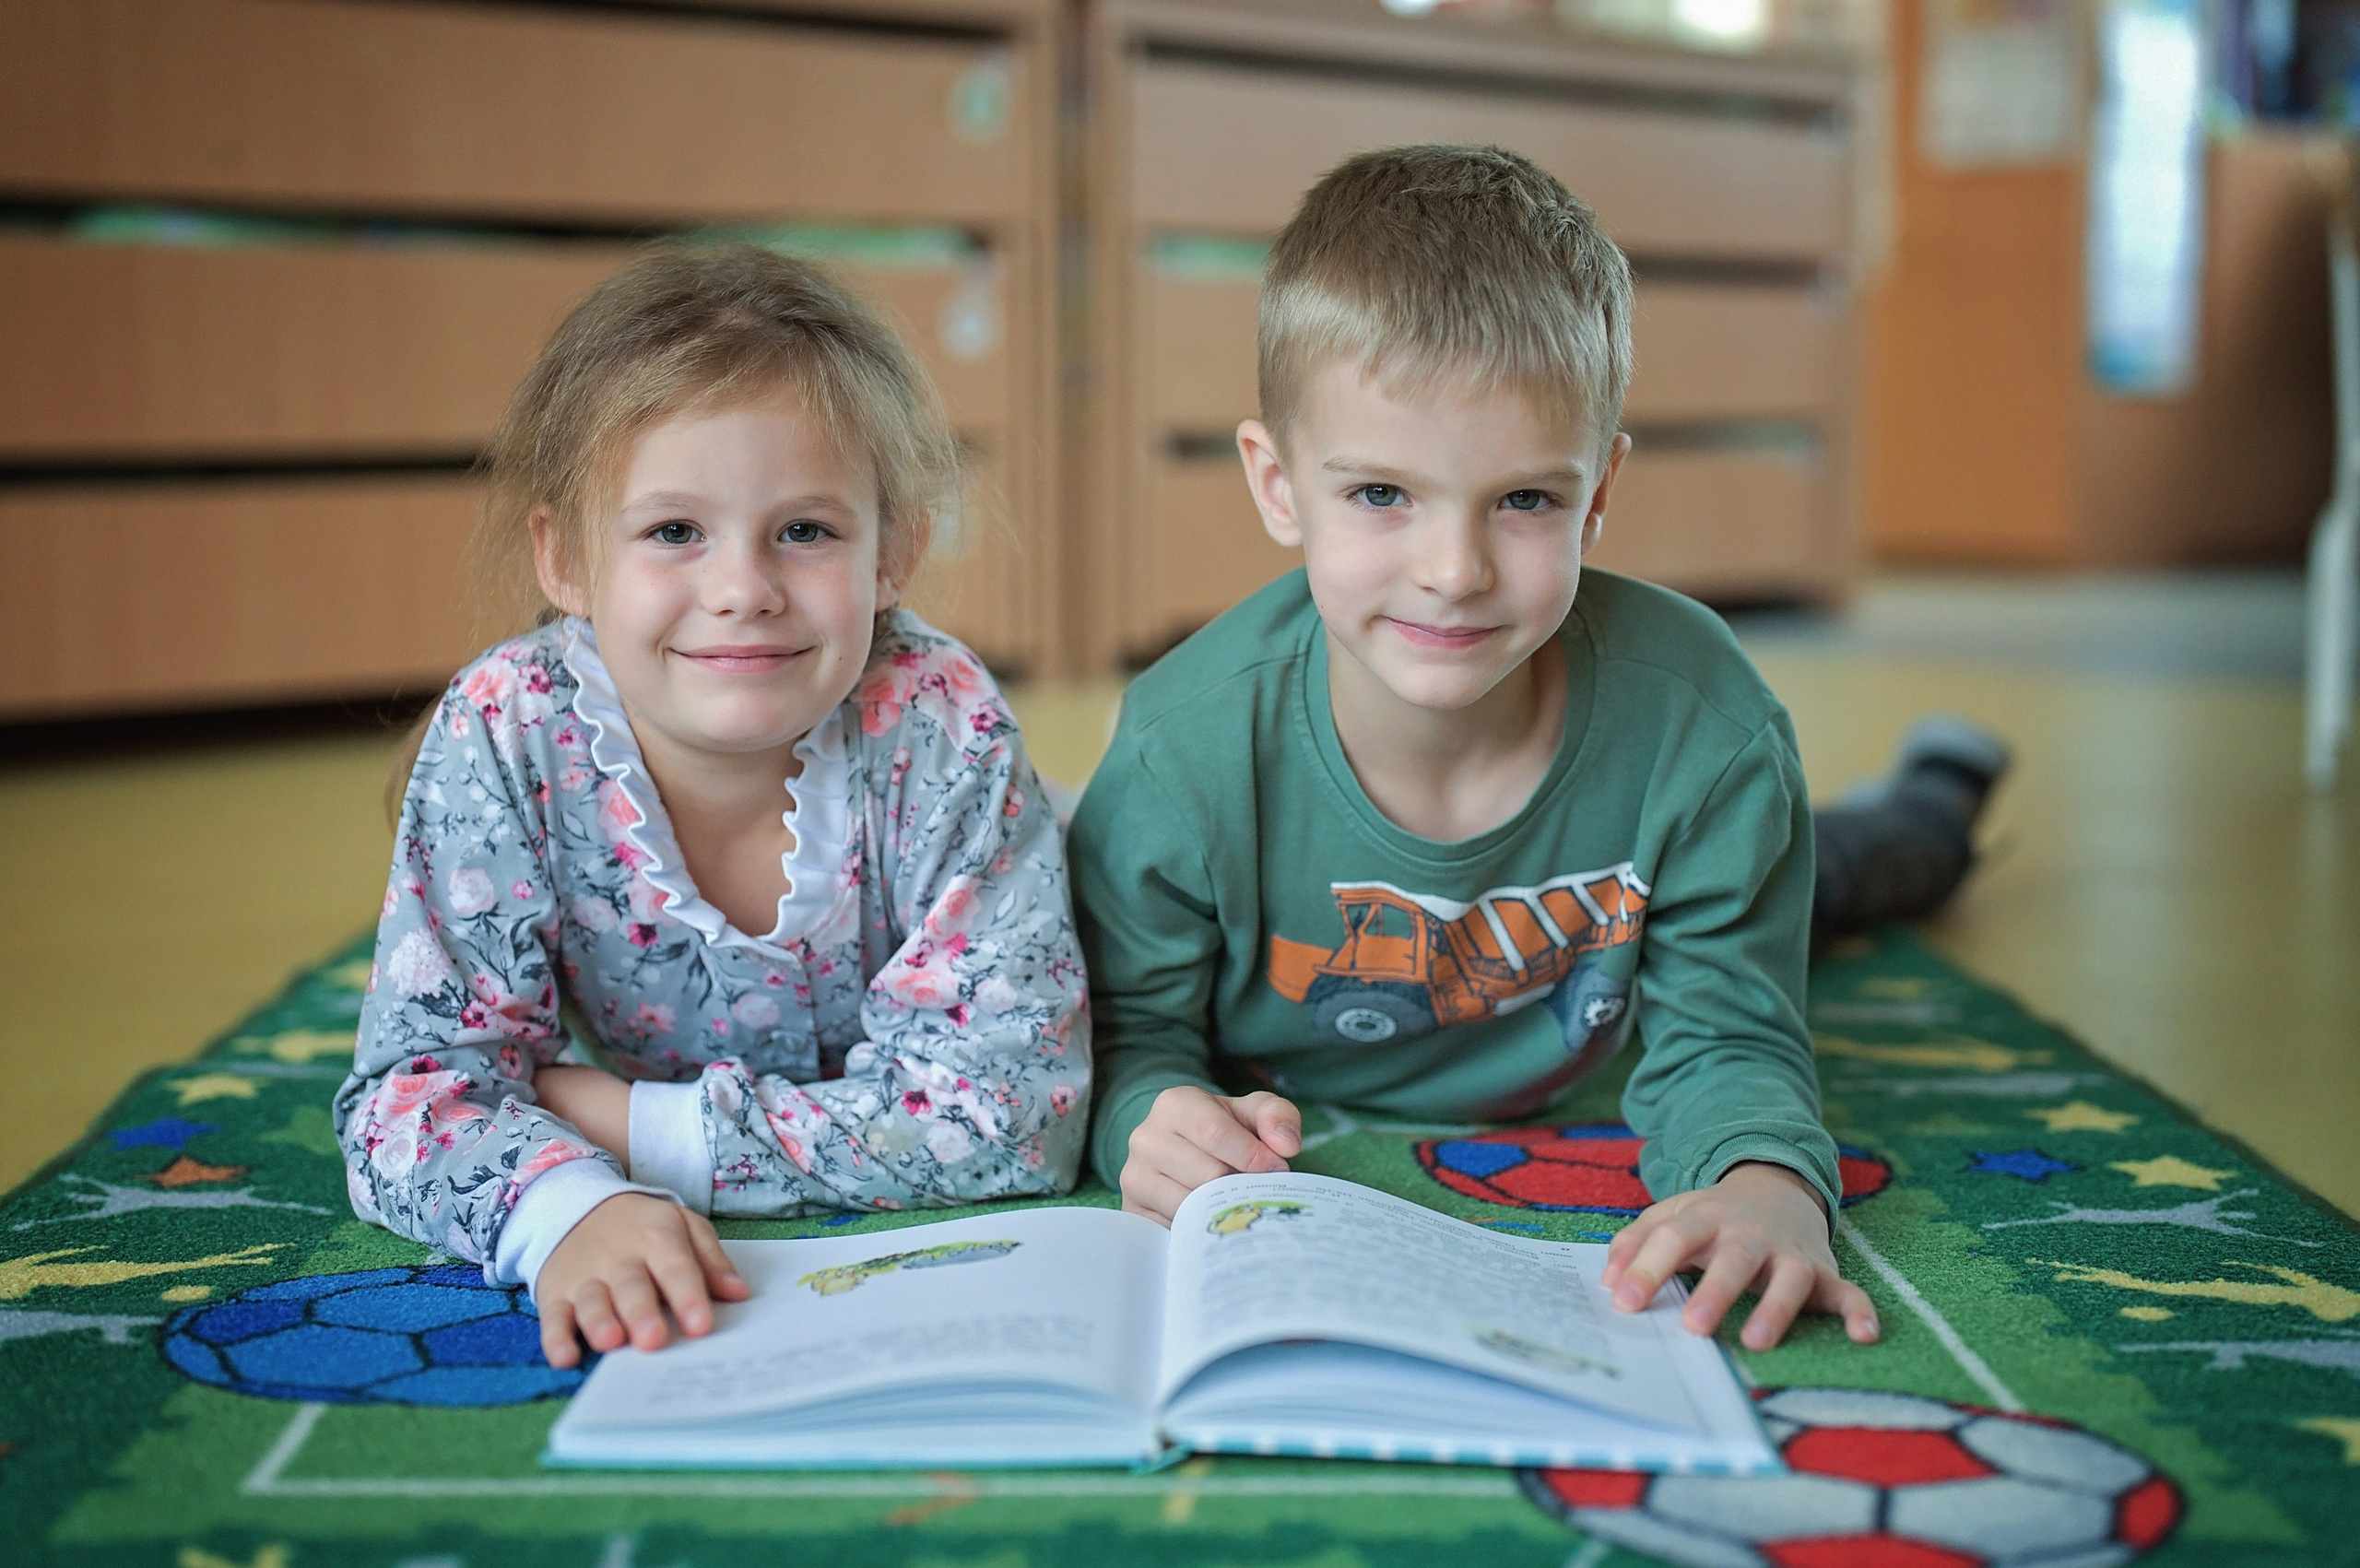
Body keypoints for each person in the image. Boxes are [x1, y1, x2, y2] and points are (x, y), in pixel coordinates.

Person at [1070, 145, 1995, 1355]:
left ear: (1599, 491)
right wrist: (1149, 1113)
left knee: (1863, 868)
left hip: (1644, 925)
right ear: (1278, 482)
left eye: (1523, 501)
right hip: (1522, 961)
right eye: (1380, 495)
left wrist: (1768, 1180)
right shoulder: (1181, 755)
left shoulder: (1705, 734)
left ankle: (1944, 790)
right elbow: (1127, 1034)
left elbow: (1728, 1032)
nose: (1452, 571)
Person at [335, 246, 1088, 1371]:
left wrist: (638, 1131)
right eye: (673, 531)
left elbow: (1015, 1123)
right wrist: (560, 1209)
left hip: (1023, 916)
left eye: (807, 530)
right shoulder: (507, 727)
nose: (742, 588)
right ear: (567, 559)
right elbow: (406, 1100)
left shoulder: (943, 722)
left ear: (897, 552)